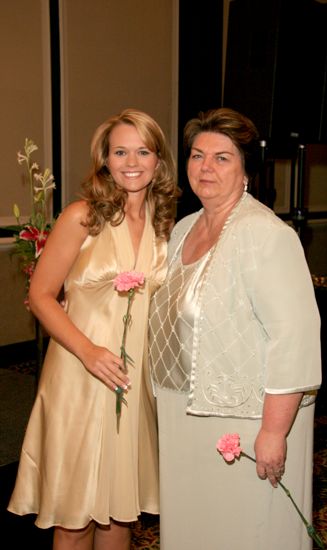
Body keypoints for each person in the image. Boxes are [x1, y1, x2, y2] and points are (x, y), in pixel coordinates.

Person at [148, 107, 322, 550]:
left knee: (246, 531)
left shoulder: (266, 235)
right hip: (184, 415)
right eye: (197, 155)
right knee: (197, 527)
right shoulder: (184, 229)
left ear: (246, 169)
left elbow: (294, 338)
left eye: (222, 158)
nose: (205, 167)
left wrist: (273, 432)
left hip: (245, 422)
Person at [8, 108, 180, 549]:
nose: (131, 161)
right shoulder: (83, 216)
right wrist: (88, 352)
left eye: (143, 151)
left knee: (119, 513)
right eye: (120, 151)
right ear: (104, 158)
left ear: (159, 160)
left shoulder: (166, 226)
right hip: (79, 377)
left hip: (132, 380)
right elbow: (42, 296)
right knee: (75, 514)